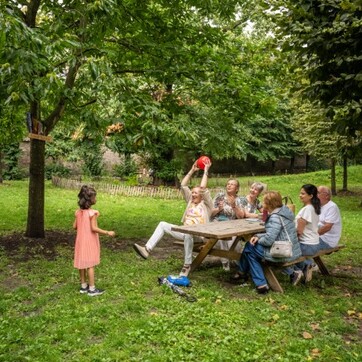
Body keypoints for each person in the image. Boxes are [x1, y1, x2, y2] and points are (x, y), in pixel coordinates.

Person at [133, 159, 213, 277]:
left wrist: (206, 170)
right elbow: (183, 185)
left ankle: (187, 265)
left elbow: (202, 187)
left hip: (198, 235)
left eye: (196, 193)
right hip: (184, 231)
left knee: (188, 234)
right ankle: (147, 249)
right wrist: (191, 170)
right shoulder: (190, 201)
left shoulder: (207, 205)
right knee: (162, 224)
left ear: (202, 195)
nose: (193, 194)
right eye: (193, 193)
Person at [236, 191, 301, 294]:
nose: (263, 203)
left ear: (269, 204)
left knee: (249, 248)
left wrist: (259, 239)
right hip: (292, 249)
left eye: (264, 202)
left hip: (284, 252)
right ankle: (253, 280)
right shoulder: (284, 212)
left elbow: (269, 240)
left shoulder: (275, 217)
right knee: (251, 249)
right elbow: (276, 234)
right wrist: (257, 236)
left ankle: (248, 276)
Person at [73, 185, 115, 297]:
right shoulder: (93, 213)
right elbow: (94, 228)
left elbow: (74, 226)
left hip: (80, 241)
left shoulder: (78, 212)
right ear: (90, 200)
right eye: (95, 197)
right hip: (89, 241)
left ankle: (83, 286)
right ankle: (92, 289)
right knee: (90, 265)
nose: (96, 199)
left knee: (82, 264)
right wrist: (107, 232)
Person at [284, 184, 321, 284]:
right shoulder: (314, 208)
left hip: (306, 245)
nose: (300, 195)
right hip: (315, 243)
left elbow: (299, 232)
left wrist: (289, 241)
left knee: (281, 252)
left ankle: (301, 268)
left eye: (303, 194)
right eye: (300, 193)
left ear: (311, 196)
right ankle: (307, 265)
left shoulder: (307, 210)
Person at [211, 179, 245, 270]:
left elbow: (241, 216)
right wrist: (218, 209)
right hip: (217, 224)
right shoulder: (220, 196)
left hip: (232, 227)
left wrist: (234, 206)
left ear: (237, 188)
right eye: (228, 184)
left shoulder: (240, 200)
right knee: (222, 236)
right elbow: (210, 213)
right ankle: (225, 263)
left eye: (232, 184)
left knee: (235, 244)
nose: (229, 186)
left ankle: (238, 262)